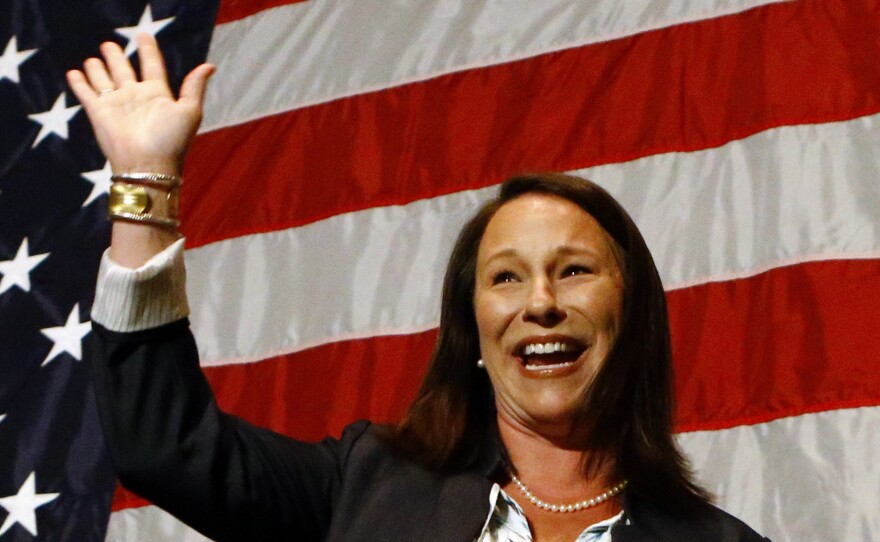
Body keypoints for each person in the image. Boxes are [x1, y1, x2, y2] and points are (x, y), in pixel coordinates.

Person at [69, 34, 770, 542]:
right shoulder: (366, 485)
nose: (540, 304)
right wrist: (145, 185)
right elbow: (163, 445)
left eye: (574, 270)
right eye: (506, 277)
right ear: (474, 333)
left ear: (634, 316)